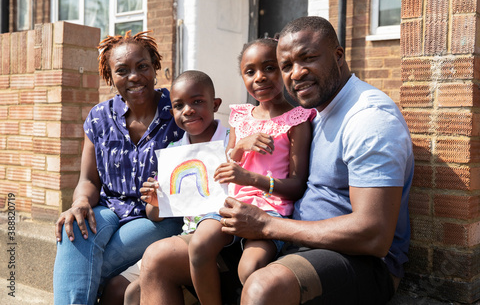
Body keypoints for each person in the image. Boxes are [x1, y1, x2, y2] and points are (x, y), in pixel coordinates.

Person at [141, 16, 414, 304]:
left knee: (262, 288)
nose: (296, 73)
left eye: (308, 58)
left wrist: (267, 226)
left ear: (338, 56)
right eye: (286, 66)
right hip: (288, 236)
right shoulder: (316, 112)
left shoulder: (368, 118)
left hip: (355, 259)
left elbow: (374, 235)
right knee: (158, 259)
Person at [139, 37, 314, 305]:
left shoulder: (297, 120)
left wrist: (251, 178)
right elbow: (224, 166)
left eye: (270, 68)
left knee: (249, 270)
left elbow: (296, 184)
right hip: (229, 204)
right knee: (199, 245)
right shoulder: (240, 118)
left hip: (268, 210)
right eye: (250, 71)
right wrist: (241, 147)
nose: (260, 78)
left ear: (284, 68)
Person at [52, 31, 184, 305]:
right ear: (110, 77)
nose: (134, 77)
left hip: (157, 215)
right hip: (109, 209)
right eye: (122, 70)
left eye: (142, 66)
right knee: (73, 228)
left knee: (88, 266)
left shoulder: (177, 110)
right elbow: (88, 179)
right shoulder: (99, 117)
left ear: (155, 67)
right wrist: (80, 202)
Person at [100, 69, 228, 305]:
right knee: (122, 289)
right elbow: (156, 215)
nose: (188, 110)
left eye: (197, 102)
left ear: (215, 104)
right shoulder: (173, 151)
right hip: (185, 235)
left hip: (223, 240)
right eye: (179, 106)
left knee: (145, 277)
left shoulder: (231, 140)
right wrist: (155, 201)